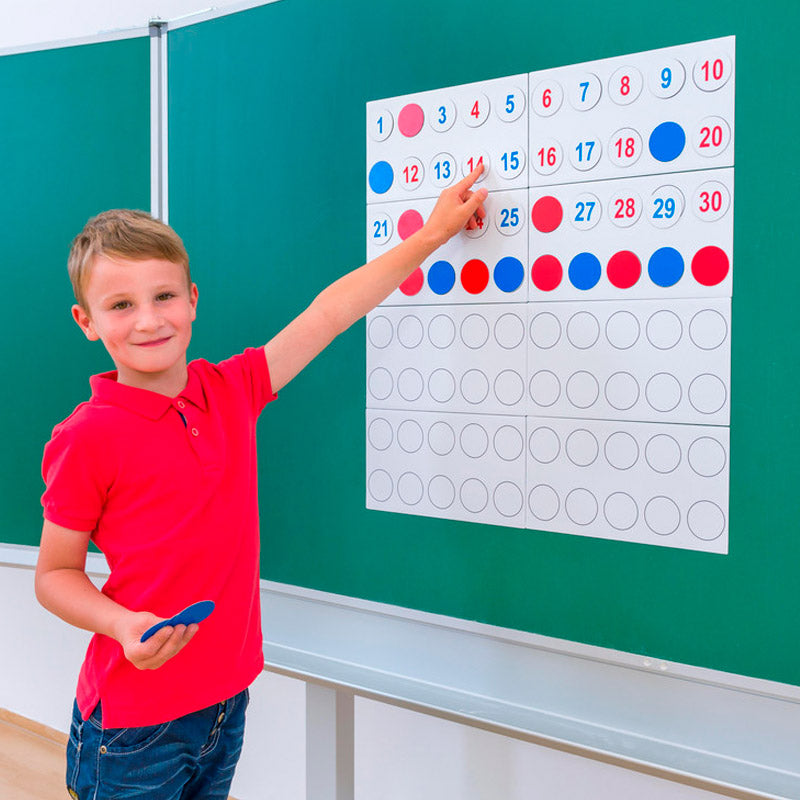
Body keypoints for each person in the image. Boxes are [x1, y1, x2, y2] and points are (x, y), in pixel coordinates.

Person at [35, 165, 487, 800]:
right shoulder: (87, 436)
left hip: (225, 700)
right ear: (87, 321)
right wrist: (119, 625)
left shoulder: (231, 390)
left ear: (193, 298)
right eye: (121, 305)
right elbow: (54, 574)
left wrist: (433, 235)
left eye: (164, 297)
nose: (148, 320)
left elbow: (330, 314)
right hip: (134, 727)